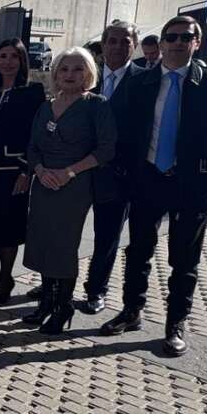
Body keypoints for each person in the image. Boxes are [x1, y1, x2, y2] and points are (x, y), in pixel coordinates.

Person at [100, 15, 207, 356]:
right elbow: (122, 128)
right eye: (171, 37)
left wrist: (195, 166)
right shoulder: (140, 83)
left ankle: (175, 323)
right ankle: (132, 310)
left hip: (191, 184)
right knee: (138, 250)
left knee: (184, 259)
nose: (177, 42)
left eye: (185, 37)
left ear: (197, 42)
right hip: (147, 179)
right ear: (160, 43)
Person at [22, 47, 117, 334]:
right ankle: (47, 302)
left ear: (88, 72)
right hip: (44, 183)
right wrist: (39, 171)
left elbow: (106, 149)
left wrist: (69, 172)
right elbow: (33, 146)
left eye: (77, 69)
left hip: (73, 186)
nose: (70, 75)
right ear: (55, 74)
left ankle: (64, 306)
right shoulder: (45, 106)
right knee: (42, 241)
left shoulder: (96, 105)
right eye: (64, 69)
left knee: (63, 246)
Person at [78, 21, 146, 314]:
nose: (118, 46)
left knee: (107, 236)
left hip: (118, 176)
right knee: (66, 230)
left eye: (125, 41)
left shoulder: (146, 81)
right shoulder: (84, 77)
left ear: (134, 45)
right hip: (78, 171)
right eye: (112, 41)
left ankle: (96, 290)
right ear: (103, 45)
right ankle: (54, 281)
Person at [0, 39, 45, 305]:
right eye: (3, 56)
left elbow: (34, 136)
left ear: (22, 60)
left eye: (14, 56)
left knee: (8, 227)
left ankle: (6, 278)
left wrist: (26, 170)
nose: (8, 62)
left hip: (13, 171)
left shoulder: (32, 92)